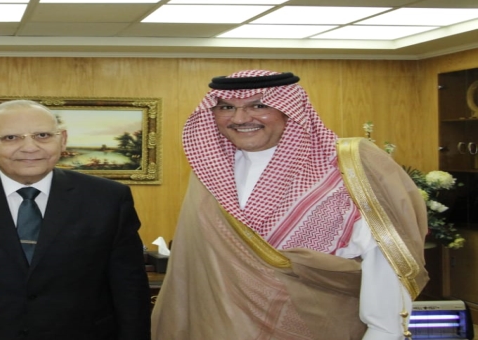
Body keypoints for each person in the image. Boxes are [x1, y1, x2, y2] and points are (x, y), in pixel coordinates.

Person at [151, 70, 428, 340]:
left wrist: (385, 330)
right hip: (219, 327)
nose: (239, 118)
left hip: (319, 324)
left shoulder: (346, 167)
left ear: (290, 110)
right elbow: (192, 267)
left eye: (258, 106)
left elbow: (386, 258)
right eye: (226, 107)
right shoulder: (210, 172)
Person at [0, 99, 151, 340]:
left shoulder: (108, 198)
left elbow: (130, 288)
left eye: (42, 135)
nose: (30, 147)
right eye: (11, 137)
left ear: (62, 140)